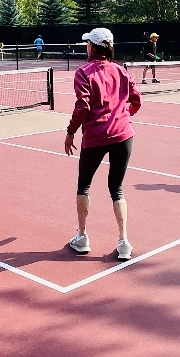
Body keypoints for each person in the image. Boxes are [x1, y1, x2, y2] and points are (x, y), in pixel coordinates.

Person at [64, 28, 142, 261]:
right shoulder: (121, 71)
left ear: (92, 47)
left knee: (84, 185)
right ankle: (124, 241)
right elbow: (136, 101)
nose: (86, 47)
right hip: (123, 135)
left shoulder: (83, 72)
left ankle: (82, 237)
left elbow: (83, 106)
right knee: (116, 188)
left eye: (88, 43)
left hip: (96, 137)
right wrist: (122, 116)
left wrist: (70, 132)